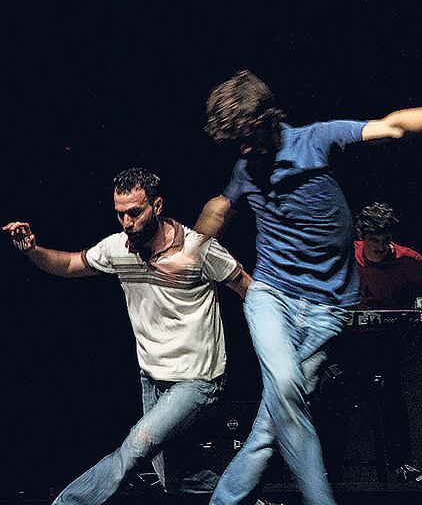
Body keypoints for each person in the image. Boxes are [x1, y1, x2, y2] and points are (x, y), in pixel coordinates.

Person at [194, 69, 422, 505]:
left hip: (326, 309)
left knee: (273, 422)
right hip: (272, 298)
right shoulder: (247, 168)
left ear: (267, 121)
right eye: (235, 143)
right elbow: (220, 205)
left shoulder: (314, 139)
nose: (242, 151)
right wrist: (195, 243)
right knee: (284, 389)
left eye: (246, 138)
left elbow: (392, 124)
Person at [3, 168, 251, 505]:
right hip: (152, 377)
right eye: (120, 213)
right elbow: (71, 264)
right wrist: (32, 250)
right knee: (176, 479)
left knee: (135, 447)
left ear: (157, 205)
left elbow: (246, 288)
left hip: (197, 379)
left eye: (135, 212)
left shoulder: (197, 249)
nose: (126, 222)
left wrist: (285, 333)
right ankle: (249, 499)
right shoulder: (118, 248)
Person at [319, 202, 422, 482]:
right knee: (334, 396)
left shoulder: (404, 258)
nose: (379, 247)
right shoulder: (345, 255)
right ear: (361, 235)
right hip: (345, 341)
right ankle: (331, 469)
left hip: (382, 341)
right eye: (373, 240)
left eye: (385, 241)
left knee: (392, 395)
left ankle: (401, 464)